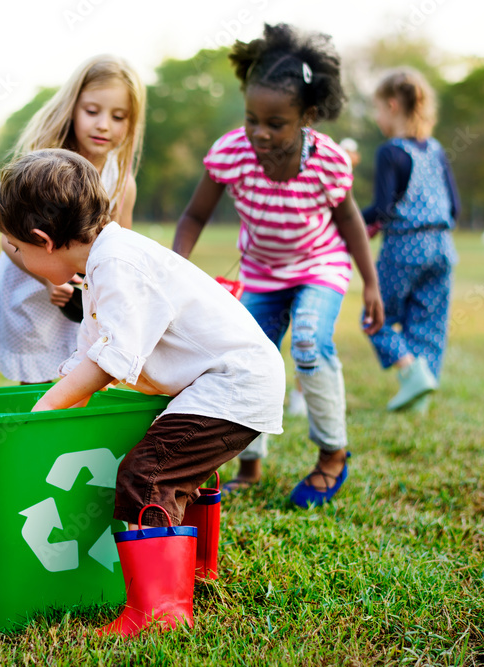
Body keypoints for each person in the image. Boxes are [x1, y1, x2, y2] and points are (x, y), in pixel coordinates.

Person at [0, 148, 284, 634]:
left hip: (232, 384)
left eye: (16, 249)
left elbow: (109, 361)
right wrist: (64, 396)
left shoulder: (119, 264)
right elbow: (90, 356)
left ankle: (161, 613)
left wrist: (42, 412)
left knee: (147, 475)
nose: (17, 259)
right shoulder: (107, 261)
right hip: (223, 383)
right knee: (179, 467)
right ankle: (194, 574)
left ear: (43, 240)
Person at [173, 23, 385, 508]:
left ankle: (332, 455)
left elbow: (350, 221)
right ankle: (250, 462)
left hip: (319, 264)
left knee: (309, 340)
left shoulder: (327, 161)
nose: (260, 133)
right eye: (252, 119)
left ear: (308, 115)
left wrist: (370, 283)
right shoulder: (232, 153)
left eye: (276, 123)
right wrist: (176, 270)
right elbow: (194, 215)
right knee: (248, 359)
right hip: (263, 273)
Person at [0, 55, 146, 383]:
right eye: (92, 111)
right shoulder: (41, 167)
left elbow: (121, 250)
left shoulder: (122, 182)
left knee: (82, 378)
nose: (104, 125)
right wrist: (48, 280)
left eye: (118, 116)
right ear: (72, 107)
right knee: (37, 383)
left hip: (82, 300)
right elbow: (9, 236)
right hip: (32, 289)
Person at [363, 68, 459, 413]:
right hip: (443, 247)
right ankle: (419, 396)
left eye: (376, 109)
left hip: (405, 247)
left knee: (377, 318)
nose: (377, 118)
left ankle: (410, 374)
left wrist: (347, 219)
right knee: (428, 323)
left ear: (391, 105)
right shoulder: (435, 150)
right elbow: (456, 206)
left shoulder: (390, 151)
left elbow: (384, 209)